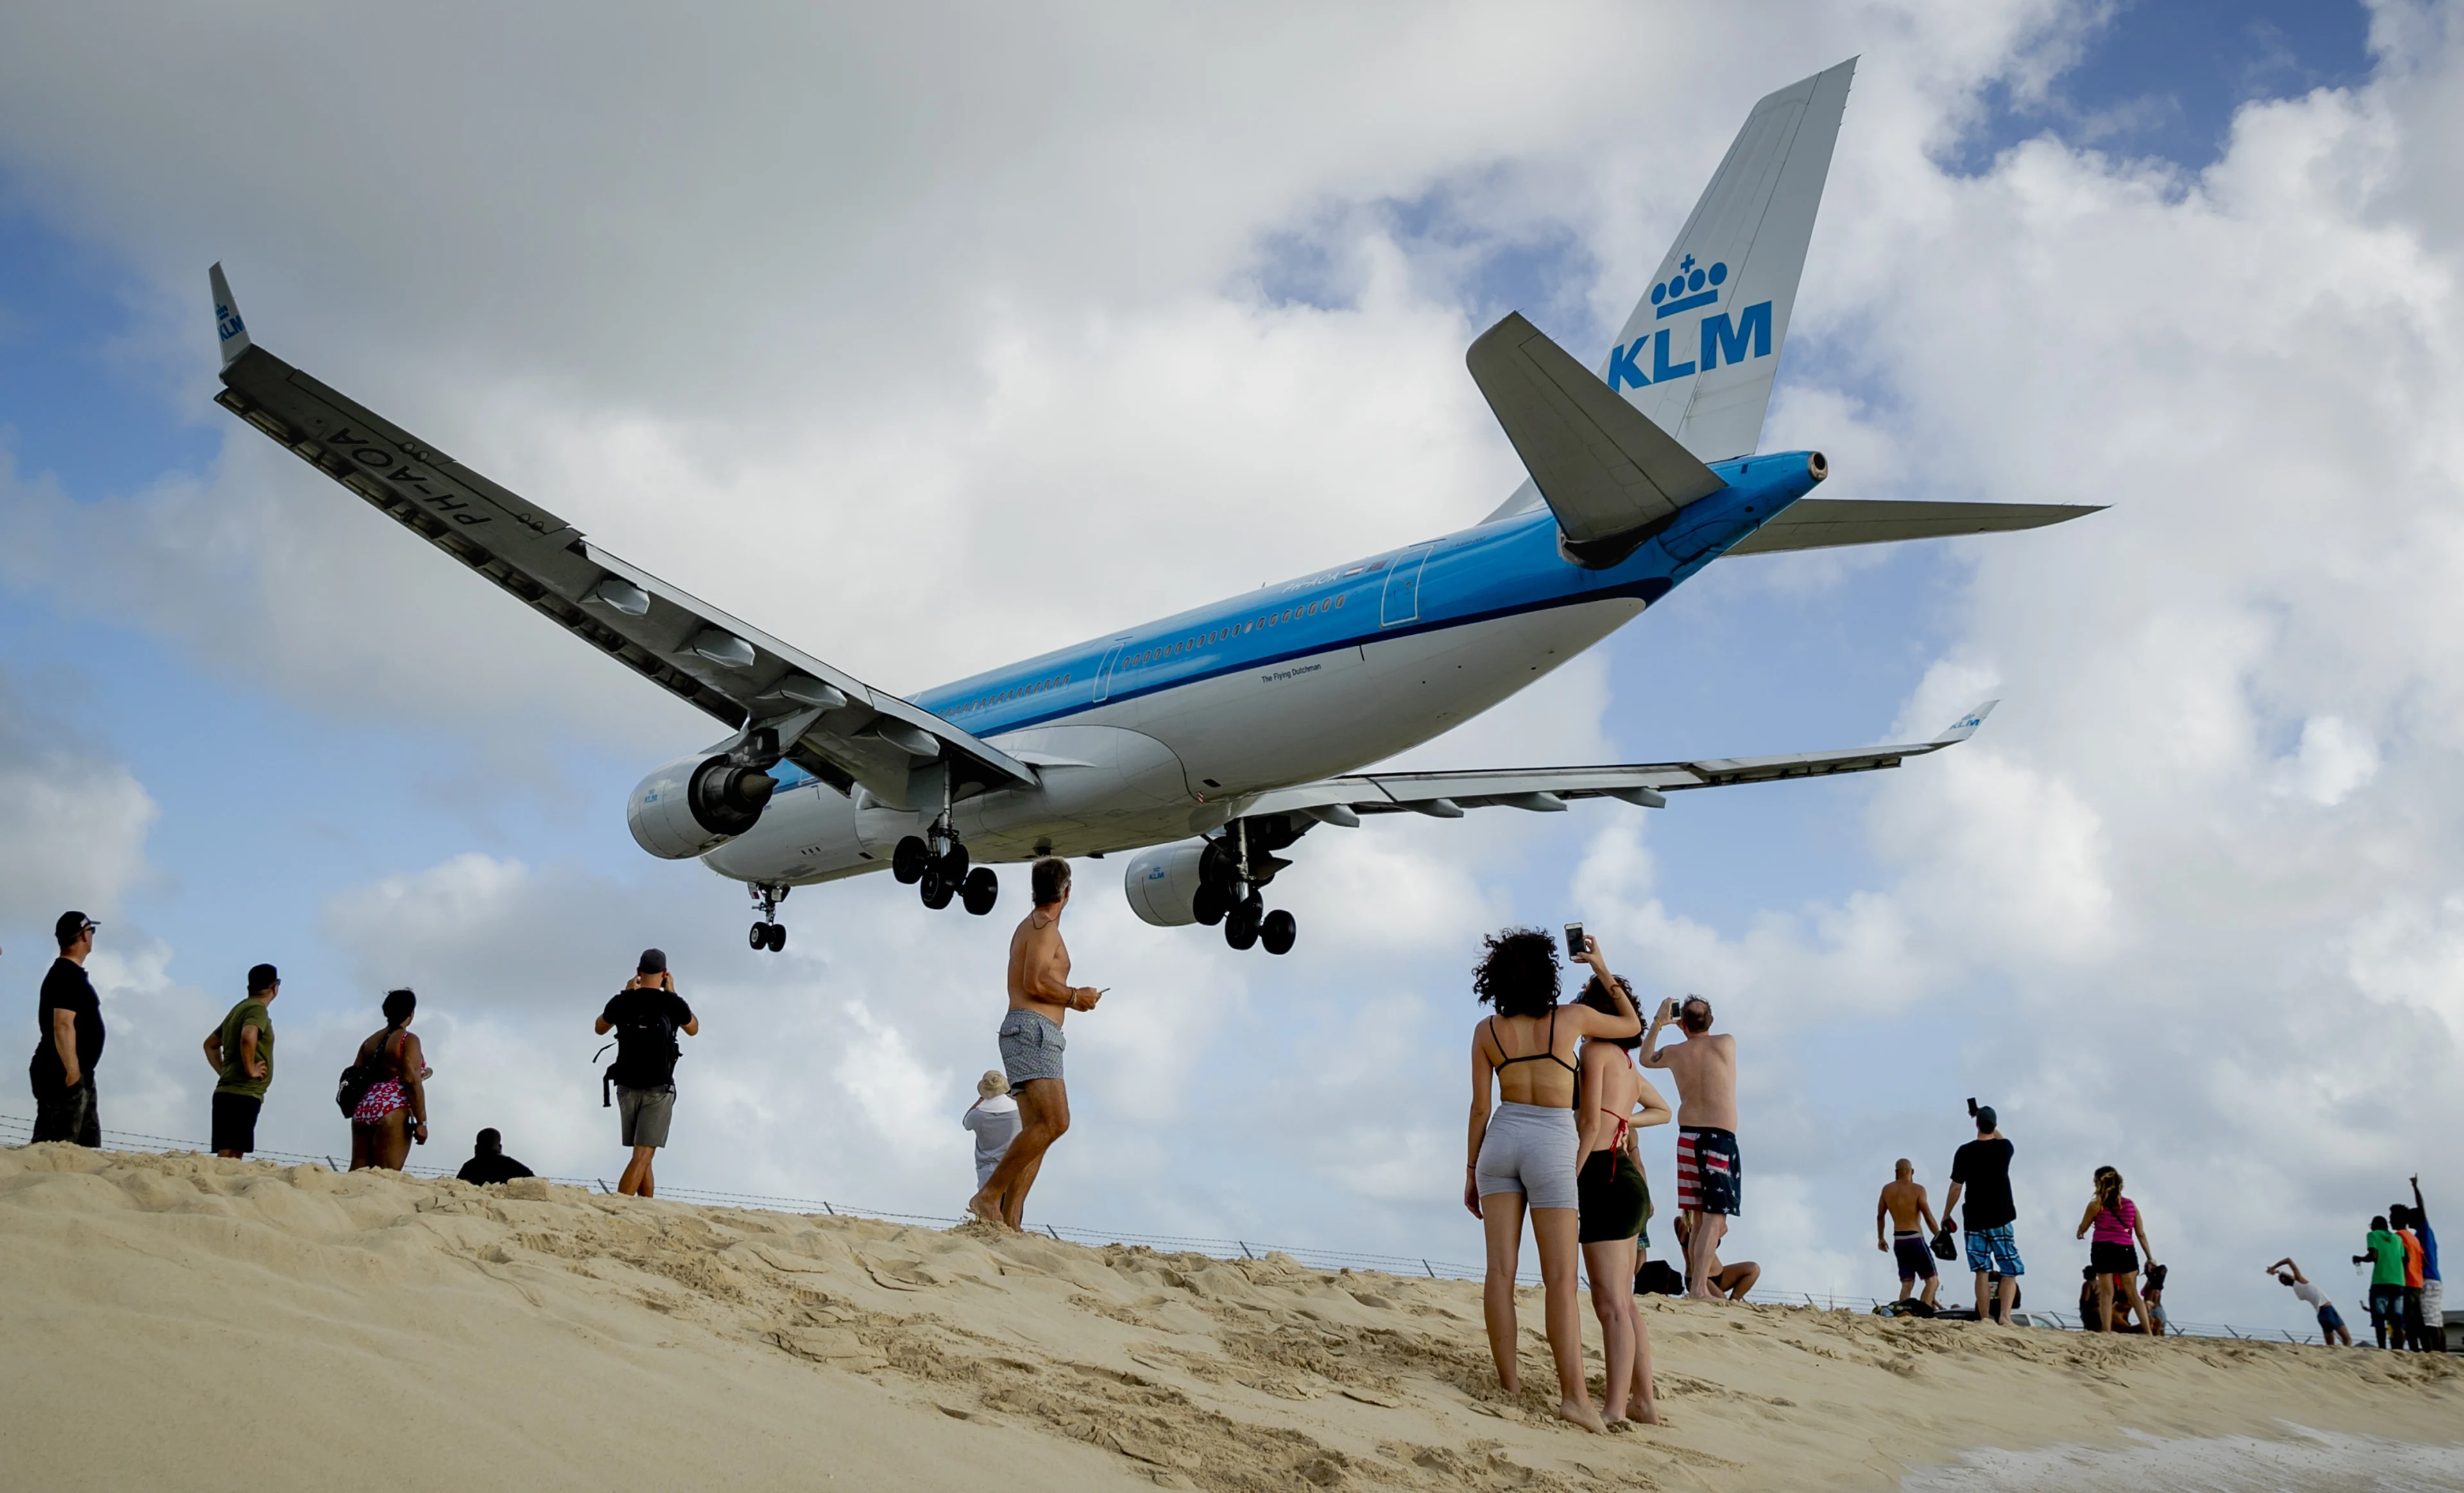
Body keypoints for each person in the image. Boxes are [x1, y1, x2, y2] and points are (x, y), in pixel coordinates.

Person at [1462, 928, 1639, 1435]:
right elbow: (1628, 1024)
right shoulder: (1572, 1018)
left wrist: (1472, 1170)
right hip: (1551, 1143)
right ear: (1547, 973)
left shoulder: (1486, 1031)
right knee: (1560, 1281)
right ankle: (1575, 1400)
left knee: (1500, 1273)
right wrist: (1601, 967)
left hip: (1502, 1139)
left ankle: (1510, 1386)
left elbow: (1479, 1107)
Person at [970, 859, 1104, 1232]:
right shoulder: (1045, 930)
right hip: (1034, 1030)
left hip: (1027, 1031)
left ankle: (1011, 1222)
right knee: (1056, 1122)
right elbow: (1035, 983)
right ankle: (988, 1196)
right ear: (1067, 892)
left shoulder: (1030, 927)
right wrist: (1077, 997)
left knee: (1037, 1132)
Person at [1574, 972, 1668, 1427]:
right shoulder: (1628, 1065)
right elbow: (1663, 1111)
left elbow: (1589, 1124)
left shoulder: (1594, 1053)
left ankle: (1614, 1408)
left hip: (1601, 1175)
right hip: (1626, 1175)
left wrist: (1567, 1182)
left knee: (1610, 1303)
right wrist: (1626, 1122)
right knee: (1625, 1303)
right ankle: (1644, 1401)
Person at [1641, 992, 1736, 1300]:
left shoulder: (1675, 1052)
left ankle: (1698, 1284)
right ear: (1711, 1020)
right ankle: (1697, 1289)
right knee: (1714, 1216)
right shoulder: (1725, 1042)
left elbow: (1645, 1057)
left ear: (1682, 1024)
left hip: (1688, 1137)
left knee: (1696, 1217)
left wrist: (1659, 1022)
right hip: (1717, 1138)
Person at [594, 949, 697, 1198]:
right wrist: (673, 993)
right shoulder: (673, 1003)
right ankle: (619, 1206)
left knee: (642, 1156)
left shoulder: (622, 1001)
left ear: (639, 973)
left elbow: (600, 1028)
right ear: (664, 975)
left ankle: (646, 1208)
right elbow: (693, 1028)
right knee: (643, 1155)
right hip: (658, 1089)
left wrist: (628, 992)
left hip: (626, 1088)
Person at [1942, 1105, 2023, 1325]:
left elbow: (1956, 1187)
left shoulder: (1965, 1151)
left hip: (1975, 1219)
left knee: (1981, 1271)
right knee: (2009, 1269)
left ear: (1977, 1125)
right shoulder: (2005, 1148)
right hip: (2001, 1218)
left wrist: (1947, 1213)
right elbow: (2000, 1137)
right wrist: (1983, 1118)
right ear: (1995, 1125)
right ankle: (2005, 1317)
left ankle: (1985, 1317)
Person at [30, 911, 103, 1147]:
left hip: (78, 1073)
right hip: (63, 1073)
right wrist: (72, 1072)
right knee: (58, 1144)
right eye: (91, 931)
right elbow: (62, 1024)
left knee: (83, 1147)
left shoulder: (70, 974)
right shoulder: (65, 975)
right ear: (83, 936)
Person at [201, 963, 278, 1158]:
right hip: (243, 1094)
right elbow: (248, 1035)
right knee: (232, 1155)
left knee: (225, 1154)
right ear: (275, 988)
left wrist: (225, 1072)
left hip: (226, 1091)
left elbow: (210, 1044)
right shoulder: (257, 1010)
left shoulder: (239, 1009)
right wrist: (250, 1069)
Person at [348, 988, 429, 1170]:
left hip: (364, 1106)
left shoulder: (369, 1042)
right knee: (387, 1176)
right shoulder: (408, 1040)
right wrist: (421, 1122)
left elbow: (355, 1075)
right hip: (392, 1107)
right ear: (411, 1014)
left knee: (357, 1172)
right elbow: (411, 1080)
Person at [2074, 1166, 2158, 1334]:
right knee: (2133, 1293)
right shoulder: (2129, 1205)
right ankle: (2148, 1332)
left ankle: (2107, 1330)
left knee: (2107, 1293)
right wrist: (2150, 1257)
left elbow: (2083, 1227)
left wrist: (2080, 1232)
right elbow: (2140, 1234)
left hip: (2102, 1249)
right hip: (2125, 1249)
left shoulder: (2096, 1205)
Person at [1877, 1159, 1944, 1308]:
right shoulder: (1918, 1190)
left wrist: (1881, 1237)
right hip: (1915, 1238)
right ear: (1912, 1172)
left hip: (1899, 1239)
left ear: (1896, 1173)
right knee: (1933, 1280)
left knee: (1907, 1282)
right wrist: (1939, 1235)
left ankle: (1902, 1312)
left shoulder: (1887, 1190)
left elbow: (1880, 1216)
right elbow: (1927, 1216)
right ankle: (1923, 1311)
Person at [1670, 1212, 1761, 1299]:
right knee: (1721, 1301)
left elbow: (1725, 1228)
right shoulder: (1682, 1223)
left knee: (1753, 1269)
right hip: (1698, 1278)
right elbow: (1691, 1238)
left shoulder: (1709, 1222)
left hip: (1719, 1274)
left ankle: (1734, 1301)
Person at [2268, 1257, 2354, 1346]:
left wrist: (2277, 1272)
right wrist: (2274, 1267)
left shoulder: (2297, 1291)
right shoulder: (2301, 1281)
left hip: (2321, 1315)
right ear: (2291, 1277)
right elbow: (2289, 1260)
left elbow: (2289, 1278)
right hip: (2328, 1310)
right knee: (2347, 1340)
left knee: (2330, 1347)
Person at [962, 1070, 1022, 1191]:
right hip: (1014, 1172)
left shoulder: (977, 1116)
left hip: (987, 1174)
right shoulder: (1019, 1112)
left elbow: (966, 1122)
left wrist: (981, 1100)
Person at [2354, 1215, 2408, 1349]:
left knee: (2379, 1318)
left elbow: (2373, 1256)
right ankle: (2399, 1348)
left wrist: (2358, 1259)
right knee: (2397, 1319)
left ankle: (2382, 1348)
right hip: (2399, 1282)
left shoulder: (2372, 1235)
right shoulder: (2398, 1239)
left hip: (2381, 1281)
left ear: (2374, 1226)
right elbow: (2406, 1259)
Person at [2391, 1204, 2429, 1352]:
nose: (2390, 1221)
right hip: (2418, 1281)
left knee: (2408, 1318)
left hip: (2406, 1280)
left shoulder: (2398, 1237)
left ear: (2398, 1219)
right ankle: (2427, 1347)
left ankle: (2414, 1348)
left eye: (2392, 1218)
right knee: (2418, 1317)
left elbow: (2403, 1258)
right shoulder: (2414, 1238)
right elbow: (2424, 1261)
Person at [2411, 1178, 2443, 1345]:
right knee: (2436, 1320)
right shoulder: (2423, 1234)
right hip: (2435, 1279)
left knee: (2430, 1321)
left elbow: (2422, 1208)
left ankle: (2437, 1351)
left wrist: (2415, 1188)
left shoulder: (2423, 1230)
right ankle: (2441, 1351)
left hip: (2428, 1279)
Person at [456, 1128, 535, 1185]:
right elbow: (536, 1184)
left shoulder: (469, 1167)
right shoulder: (514, 1166)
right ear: (500, 1147)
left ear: (476, 1148)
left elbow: (456, 1188)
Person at [2141, 1263, 2171, 1336]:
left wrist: (2147, 1309)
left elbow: (2150, 1302)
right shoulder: (2152, 1281)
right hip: (2159, 1311)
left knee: (2153, 1335)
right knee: (2160, 1337)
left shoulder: (2156, 1284)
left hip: (2154, 1312)